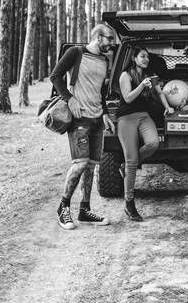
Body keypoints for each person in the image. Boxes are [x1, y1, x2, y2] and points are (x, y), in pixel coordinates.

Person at [49, 23, 117, 230]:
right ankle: (63, 207)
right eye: (109, 39)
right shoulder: (76, 53)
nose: (112, 44)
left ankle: (84, 210)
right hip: (79, 119)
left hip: (97, 119)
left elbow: (101, 91)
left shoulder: (105, 60)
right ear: (98, 37)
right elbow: (55, 77)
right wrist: (69, 99)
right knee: (79, 164)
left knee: (91, 166)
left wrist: (105, 113)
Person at [117, 47, 171, 221]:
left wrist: (167, 107)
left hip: (144, 116)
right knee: (132, 161)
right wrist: (141, 85)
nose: (146, 59)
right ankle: (129, 203)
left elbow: (160, 92)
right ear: (134, 58)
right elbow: (127, 98)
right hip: (126, 118)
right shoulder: (126, 75)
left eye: (147, 56)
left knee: (153, 143)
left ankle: (127, 167)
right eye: (142, 56)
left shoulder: (151, 75)